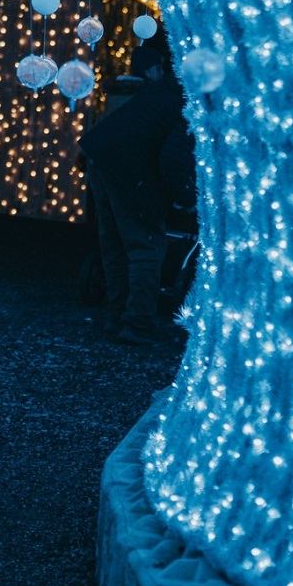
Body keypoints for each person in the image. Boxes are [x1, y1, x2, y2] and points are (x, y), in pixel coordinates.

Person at [78, 27, 195, 346]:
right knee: (146, 246)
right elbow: (173, 158)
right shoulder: (187, 105)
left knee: (115, 243)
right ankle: (138, 323)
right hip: (129, 169)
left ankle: (114, 315)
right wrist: (184, 198)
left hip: (101, 158)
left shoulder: (162, 90)